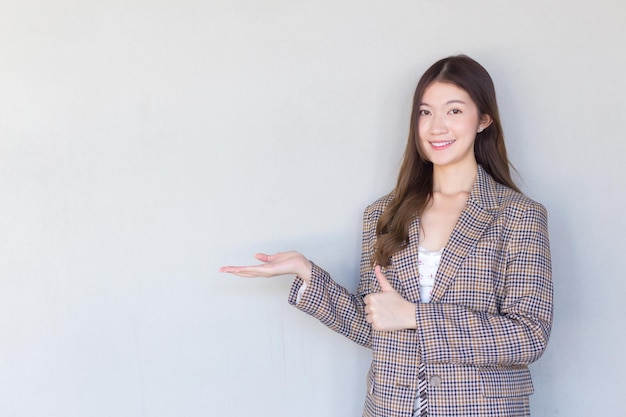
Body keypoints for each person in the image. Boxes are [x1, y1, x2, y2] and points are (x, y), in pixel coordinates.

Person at [219, 55, 553, 417]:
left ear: (483, 119)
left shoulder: (518, 215)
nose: (436, 127)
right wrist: (306, 273)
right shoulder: (383, 214)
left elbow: (529, 335)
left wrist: (415, 316)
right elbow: (375, 326)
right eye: (425, 113)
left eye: (454, 111)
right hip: (390, 407)